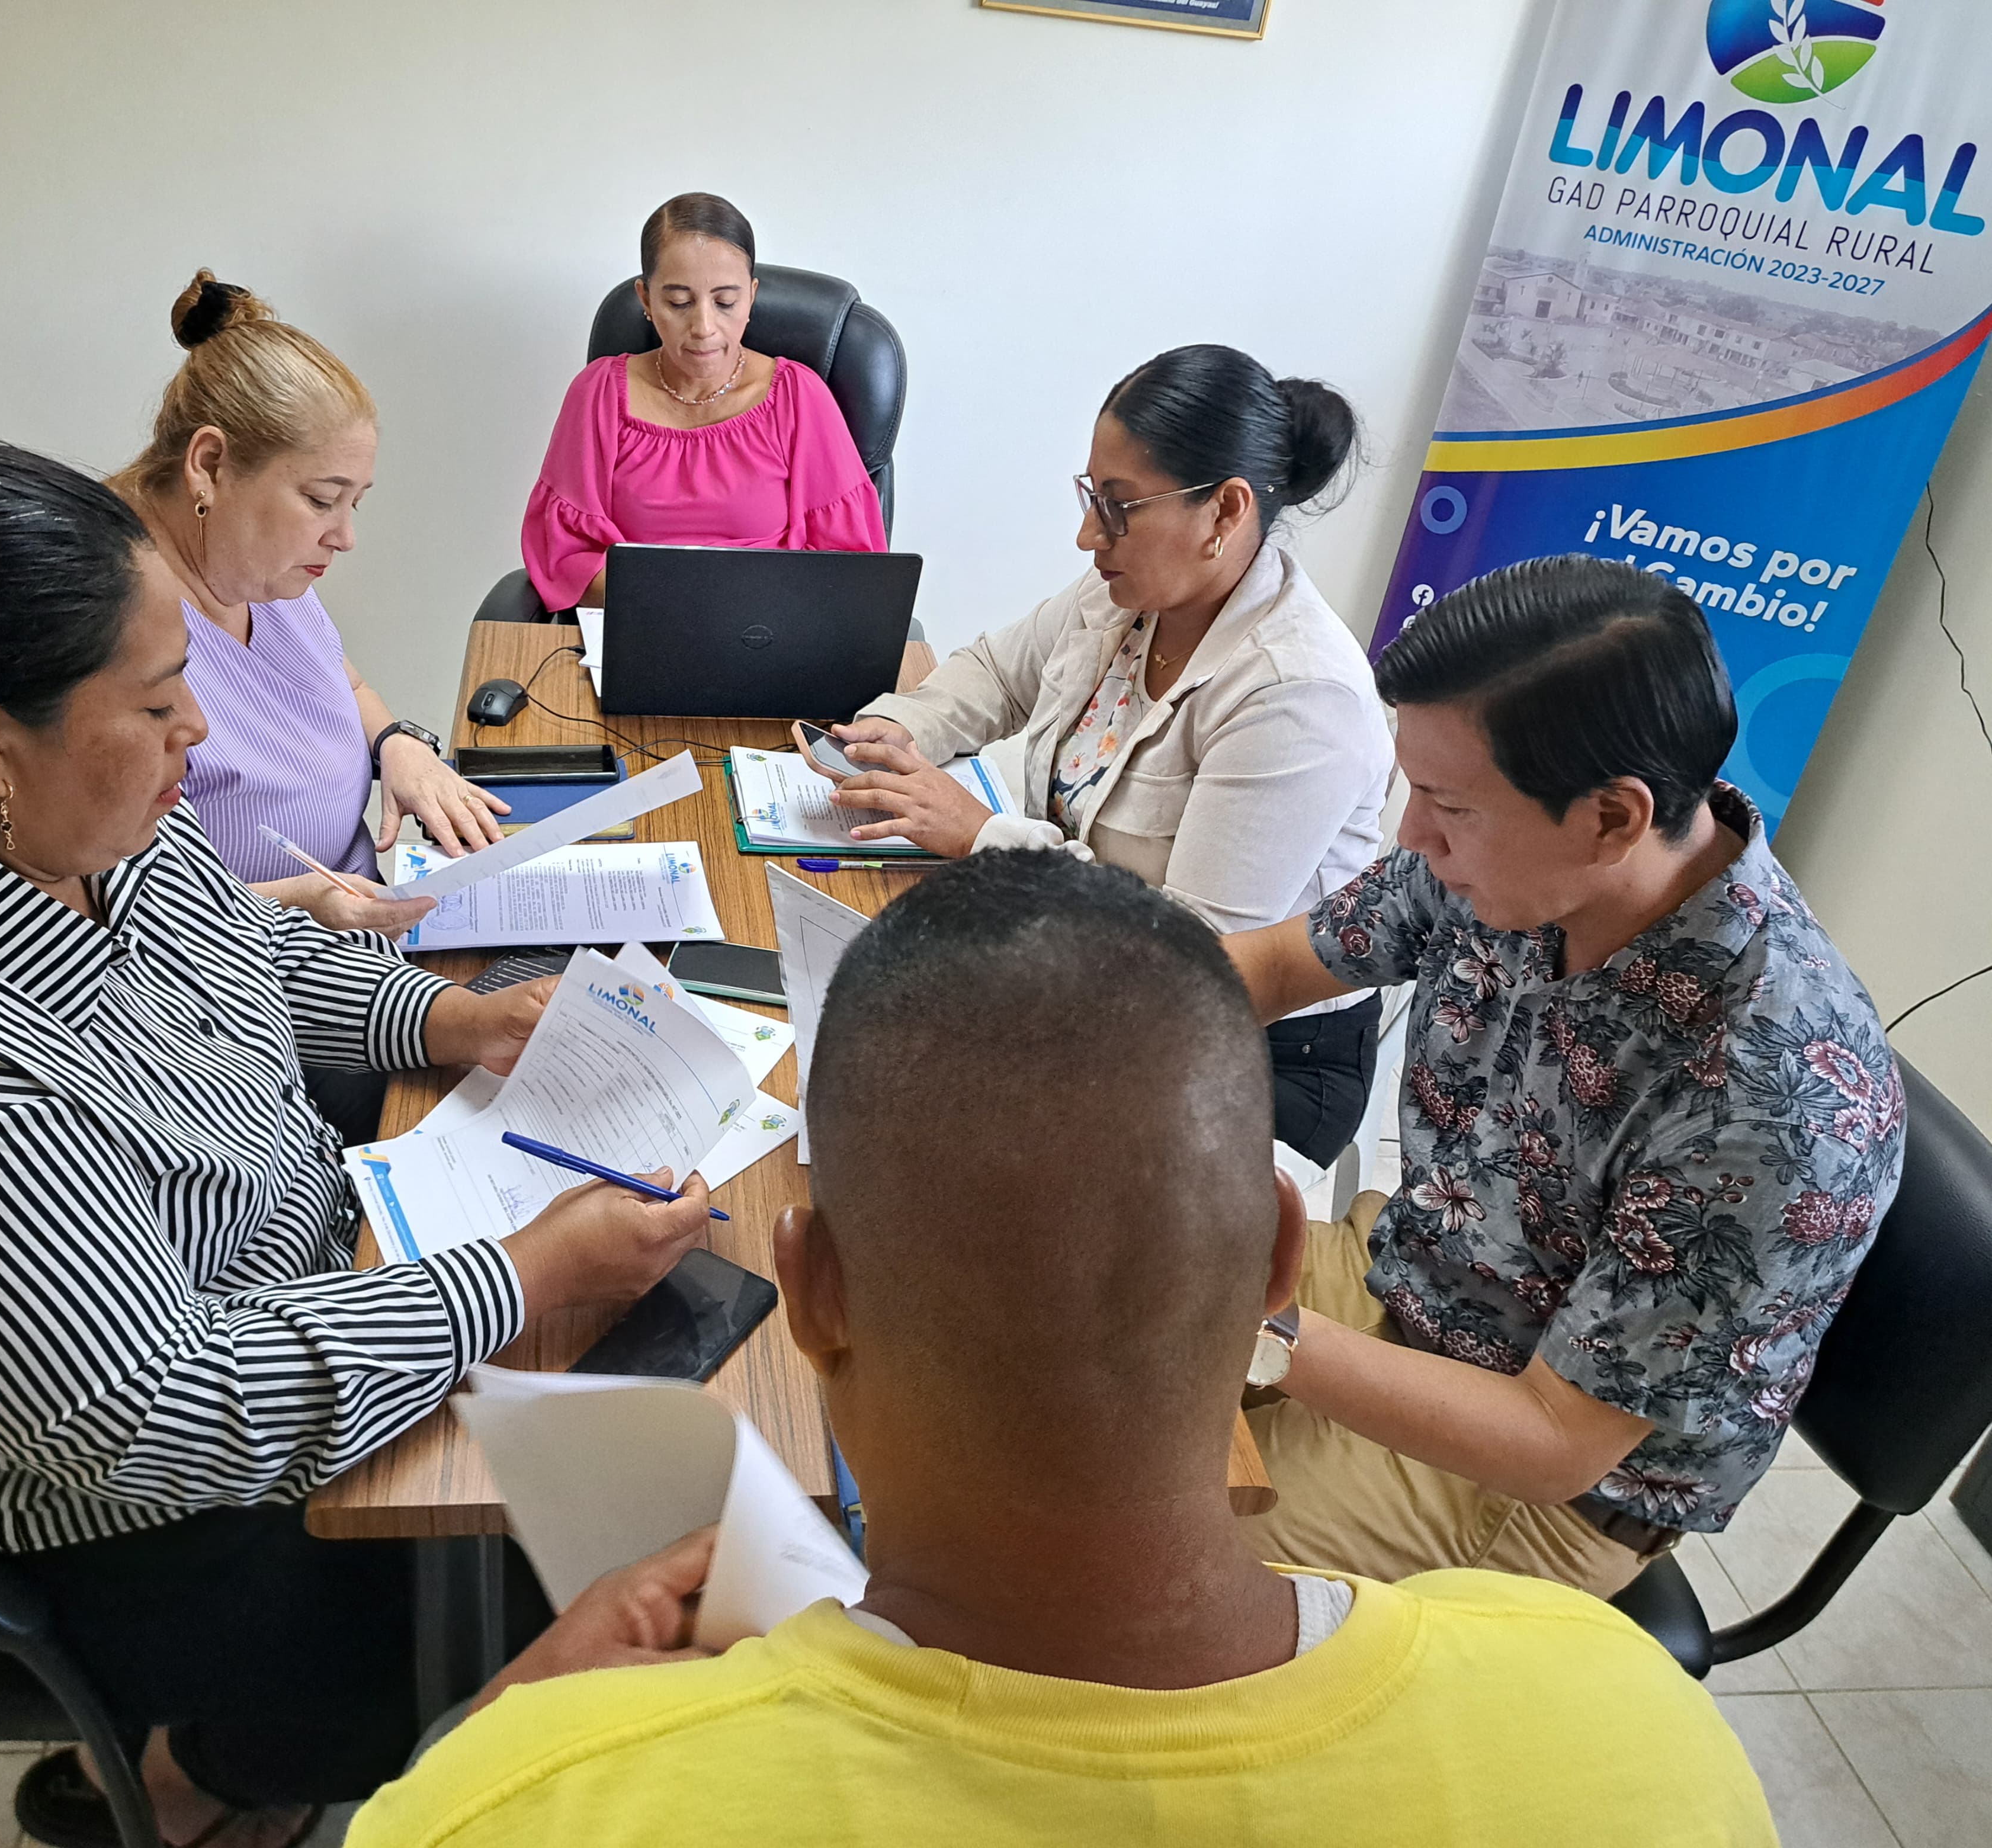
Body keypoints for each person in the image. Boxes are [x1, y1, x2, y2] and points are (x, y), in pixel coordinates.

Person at [0, 405, 718, 1848]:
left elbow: (255, 956)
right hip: (68, 1510)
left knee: (606, 1459)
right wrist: (522, 1274)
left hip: (249, 1299)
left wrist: (453, 1020)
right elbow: (166, 1411)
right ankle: (194, 1769)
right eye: (155, 701)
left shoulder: (72, 824)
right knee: (549, 1579)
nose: (195, 731)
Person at [347, 851, 1778, 1847]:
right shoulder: (1638, 1737)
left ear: (812, 1291)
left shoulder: (529, 1803)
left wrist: (496, 1739)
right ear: (1282, 1264)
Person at [1219, 556, 1905, 1597]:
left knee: (1118, 1556)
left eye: (1448, 805)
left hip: (1538, 1481)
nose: (1412, 834)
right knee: (1058, 1333)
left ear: (1614, 819)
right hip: (1412, 1280)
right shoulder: (1503, 857)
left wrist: (1250, 1331)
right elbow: (1275, 966)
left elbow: (1552, 1440)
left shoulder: (1770, 1096)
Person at [823, 344, 1394, 1167]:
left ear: (1225, 512)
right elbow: (996, 674)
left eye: (1120, 507)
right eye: (1092, 497)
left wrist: (983, 837)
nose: (1089, 535)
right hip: (1079, 964)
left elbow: (1191, 958)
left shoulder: (1297, 695)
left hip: (1246, 1057)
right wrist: (898, 728)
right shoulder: (1127, 593)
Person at [116, 270, 514, 1141]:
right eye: (322, 501)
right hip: (255, 997)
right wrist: (301, 901)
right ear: (209, 466)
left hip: (375, 923)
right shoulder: (122, 634)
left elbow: (338, 681)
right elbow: (120, 913)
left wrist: (398, 745)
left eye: (354, 503)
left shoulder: (259, 567)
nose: (346, 536)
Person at [519, 191, 886, 614]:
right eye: (679, 303)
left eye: (726, 302)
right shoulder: (598, 395)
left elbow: (850, 567)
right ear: (646, 300)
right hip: (636, 622)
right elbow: (565, 557)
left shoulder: (799, 397)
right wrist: (689, 603)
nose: (704, 327)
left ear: (751, 297)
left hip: (768, 627)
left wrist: (729, 609)